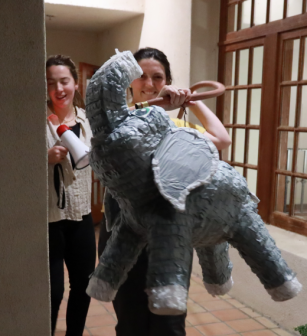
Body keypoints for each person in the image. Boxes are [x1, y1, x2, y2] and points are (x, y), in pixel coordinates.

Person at [97, 47, 231, 336]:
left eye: (157, 77)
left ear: (167, 81)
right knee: (131, 320)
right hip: (124, 233)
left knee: (169, 324)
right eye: (141, 76)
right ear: (129, 83)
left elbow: (221, 138)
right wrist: (155, 107)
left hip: (169, 237)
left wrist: (191, 100)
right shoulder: (118, 121)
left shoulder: (177, 125)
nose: (148, 84)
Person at [46, 55, 96, 336]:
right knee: (52, 292)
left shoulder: (88, 120)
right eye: (51, 83)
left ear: (76, 84)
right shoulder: (35, 119)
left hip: (82, 217)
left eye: (64, 81)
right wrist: (46, 158)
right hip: (49, 218)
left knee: (84, 285)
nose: (58, 88)